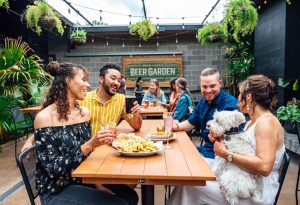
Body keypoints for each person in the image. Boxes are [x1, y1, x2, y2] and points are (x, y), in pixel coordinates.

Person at [168, 74, 285, 205]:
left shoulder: (266, 123)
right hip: (241, 176)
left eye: (240, 94)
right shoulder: (252, 122)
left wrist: (226, 154)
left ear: (249, 97)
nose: (238, 98)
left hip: (256, 190)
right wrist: (221, 141)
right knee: (191, 176)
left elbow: (264, 167)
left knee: (190, 185)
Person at [34, 62, 138, 205]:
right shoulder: (44, 118)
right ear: (68, 81)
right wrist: (89, 144)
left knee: (131, 196)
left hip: (83, 179)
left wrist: (98, 184)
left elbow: (86, 158)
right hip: (56, 189)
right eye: (83, 79)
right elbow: (52, 170)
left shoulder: (84, 113)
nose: (88, 85)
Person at [22, 63, 142, 148]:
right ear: (101, 79)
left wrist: (136, 114)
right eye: (113, 78)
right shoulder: (82, 99)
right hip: (86, 150)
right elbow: (55, 125)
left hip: (109, 148)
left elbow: (136, 126)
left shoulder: (121, 100)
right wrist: (31, 139)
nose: (117, 83)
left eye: (119, 80)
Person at [172, 67, 237, 159]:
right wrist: (172, 128)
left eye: (212, 86)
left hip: (219, 157)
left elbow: (233, 138)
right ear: (200, 85)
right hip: (205, 149)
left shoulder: (229, 103)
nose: (208, 90)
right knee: (174, 154)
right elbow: (190, 123)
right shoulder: (203, 102)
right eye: (204, 87)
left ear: (220, 84)